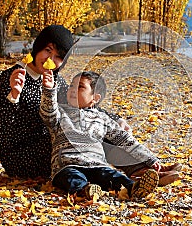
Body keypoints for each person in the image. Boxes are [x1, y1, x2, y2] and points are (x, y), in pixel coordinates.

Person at [0, 24, 180, 184]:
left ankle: (143, 168)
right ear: (38, 47)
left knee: (91, 128)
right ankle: (139, 170)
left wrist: (115, 119)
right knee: (83, 137)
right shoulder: (14, 76)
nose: (50, 60)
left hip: (56, 146)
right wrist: (13, 96)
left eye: (58, 57)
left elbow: (82, 107)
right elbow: (0, 125)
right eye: (48, 51)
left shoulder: (56, 80)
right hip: (23, 154)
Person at [39, 71, 161, 199]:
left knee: (113, 176)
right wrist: (48, 89)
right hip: (67, 164)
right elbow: (48, 112)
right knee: (72, 177)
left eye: (80, 87)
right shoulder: (60, 112)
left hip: (97, 164)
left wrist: (149, 158)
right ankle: (84, 190)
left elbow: (125, 140)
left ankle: (134, 188)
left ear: (95, 98)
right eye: (71, 86)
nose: (73, 90)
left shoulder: (103, 118)